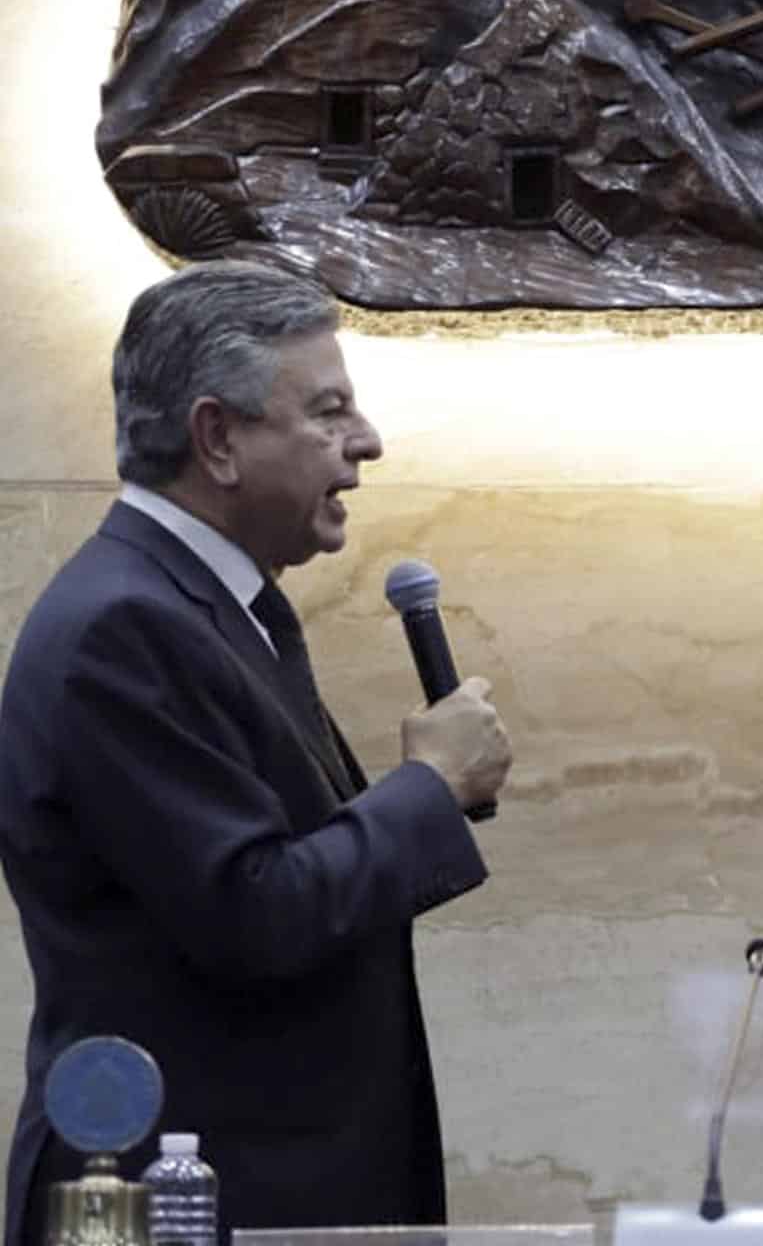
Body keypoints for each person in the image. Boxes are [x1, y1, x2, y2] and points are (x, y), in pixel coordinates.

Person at [0, 262, 513, 1246]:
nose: (366, 442)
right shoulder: (126, 627)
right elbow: (252, 912)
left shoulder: (214, 608)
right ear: (217, 438)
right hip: (186, 1201)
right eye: (328, 411)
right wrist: (429, 786)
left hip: (275, 1192)